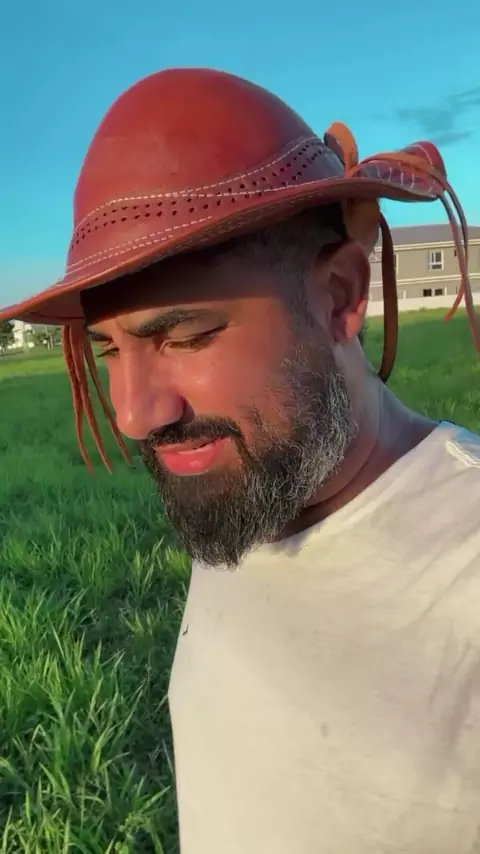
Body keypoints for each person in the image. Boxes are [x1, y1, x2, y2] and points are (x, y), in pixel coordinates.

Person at [3, 68, 480, 854]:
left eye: (185, 337)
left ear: (338, 296)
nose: (135, 416)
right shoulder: (256, 485)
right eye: (108, 350)